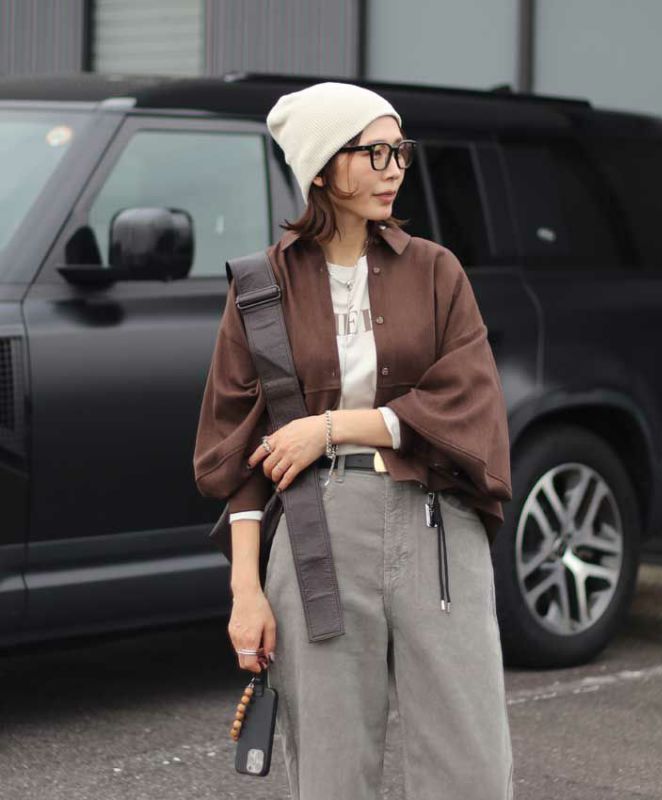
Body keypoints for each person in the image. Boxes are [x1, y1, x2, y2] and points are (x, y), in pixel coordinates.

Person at [193, 81, 514, 800]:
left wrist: (331, 427)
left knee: (470, 768)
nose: (393, 169)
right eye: (373, 153)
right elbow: (235, 453)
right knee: (331, 771)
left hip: (437, 526)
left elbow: (471, 399)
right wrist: (246, 591)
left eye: (399, 151)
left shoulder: (435, 270)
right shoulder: (260, 287)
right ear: (321, 166)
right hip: (317, 532)